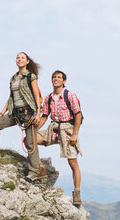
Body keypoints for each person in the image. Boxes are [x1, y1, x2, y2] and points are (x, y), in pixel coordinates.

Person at [0, 52, 47, 182]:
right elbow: (10, 98)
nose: (19, 59)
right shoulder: (13, 78)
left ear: (27, 62)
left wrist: (37, 114)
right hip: (15, 113)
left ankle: (34, 171)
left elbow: (37, 96)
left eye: (22, 58)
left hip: (28, 113)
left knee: (31, 143)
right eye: (18, 58)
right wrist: (1, 113)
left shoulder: (31, 76)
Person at [36, 70, 83, 205]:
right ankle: (41, 168)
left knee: (73, 163)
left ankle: (77, 194)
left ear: (64, 81)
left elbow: (78, 115)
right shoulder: (48, 97)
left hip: (68, 130)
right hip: (54, 129)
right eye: (54, 77)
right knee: (29, 140)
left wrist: (75, 134)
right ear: (52, 80)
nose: (56, 79)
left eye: (59, 77)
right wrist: (33, 130)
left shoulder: (70, 96)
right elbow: (45, 116)